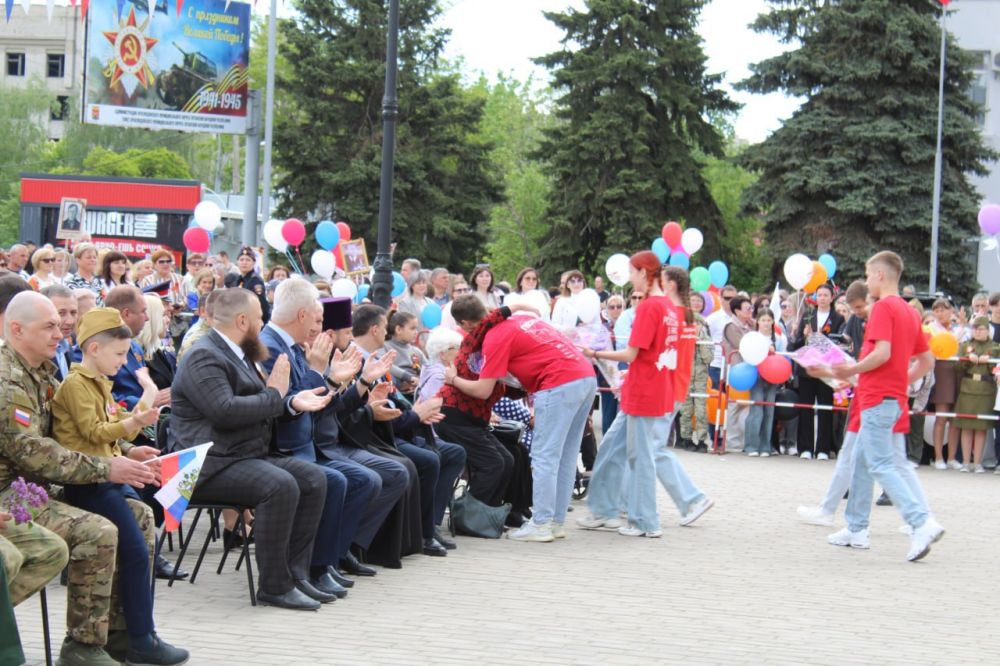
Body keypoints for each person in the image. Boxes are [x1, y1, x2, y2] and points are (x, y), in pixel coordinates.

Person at [0, 291, 170, 665]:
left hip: (37, 487)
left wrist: (124, 453)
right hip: (10, 495)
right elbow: (32, 452)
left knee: (138, 516)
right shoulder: (7, 380)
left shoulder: (40, 373)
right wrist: (107, 468)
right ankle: (82, 645)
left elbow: (66, 435)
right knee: (99, 530)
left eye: (61, 323)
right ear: (16, 329)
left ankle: (125, 636)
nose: (60, 332)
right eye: (49, 325)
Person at [170, 287, 334, 609]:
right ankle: (274, 586)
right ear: (243, 320)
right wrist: (275, 395)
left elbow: (262, 404)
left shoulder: (238, 352)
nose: (263, 323)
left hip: (239, 455)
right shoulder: (204, 354)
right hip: (204, 465)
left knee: (313, 478)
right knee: (279, 485)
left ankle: (296, 575)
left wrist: (290, 403)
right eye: (260, 318)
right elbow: (225, 410)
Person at [51, 308, 189, 665]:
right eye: (119, 354)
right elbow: (94, 434)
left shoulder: (97, 383)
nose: (124, 361)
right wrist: (134, 423)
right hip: (90, 483)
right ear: (93, 348)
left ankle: (139, 634)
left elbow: (106, 431)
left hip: (106, 477)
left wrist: (130, 445)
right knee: (136, 552)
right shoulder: (76, 385)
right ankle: (140, 639)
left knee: (141, 547)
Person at [814, 251, 944, 561]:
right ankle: (856, 527)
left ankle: (920, 522)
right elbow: (927, 360)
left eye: (869, 274)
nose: (867, 279)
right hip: (891, 398)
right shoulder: (911, 313)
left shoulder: (884, 307)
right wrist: (901, 381)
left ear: (881, 276)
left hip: (877, 399)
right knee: (866, 459)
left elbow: (882, 353)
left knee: (880, 464)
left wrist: (850, 371)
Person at [261, 280, 387, 598]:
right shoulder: (273, 346)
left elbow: (315, 402)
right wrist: (323, 373)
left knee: (362, 479)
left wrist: (340, 381)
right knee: (339, 480)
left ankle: (324, 562)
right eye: (317, 320)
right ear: (302, 315)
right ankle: (311, 568)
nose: (322, 329)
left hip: (308, 441)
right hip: (286, 444)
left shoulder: (288, 344)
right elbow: (291, 401)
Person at [444, 293, 596, 542]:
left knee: (545, 455)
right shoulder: (519, 320)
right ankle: (556, 522)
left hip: (557, 382)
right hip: (585, 375)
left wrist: (453, 379)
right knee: (567, 455)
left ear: (466, 324)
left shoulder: (493, 337)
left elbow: (482, 390)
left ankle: (541, 524)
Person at [578, 260, 713, 537]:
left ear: (643, 273)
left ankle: (644, 520)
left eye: (631, 272)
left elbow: (631, 354)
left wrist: (595, 354)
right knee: (620, 450)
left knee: (641, 456)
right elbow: (658, 353)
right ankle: (609, 511)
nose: (629, 278)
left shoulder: (653, 307)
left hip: (645, 392)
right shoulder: (670, 309)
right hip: (650, 387)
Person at [351, 306, 465, 556]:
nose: (386, 331)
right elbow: (371, 408)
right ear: (374, 329)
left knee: (451, 453)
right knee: (427, 460)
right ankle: (419, 533)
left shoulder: (374, 356)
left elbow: (392, 399)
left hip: (393, 426)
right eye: (384, 327)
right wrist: (417, 414)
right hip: (377, 434)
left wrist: (417, 413)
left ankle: (429, 525)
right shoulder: (357, 359)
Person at [434, 299, 516, 508]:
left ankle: (488, 511)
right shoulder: (473, 340)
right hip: (454, 416)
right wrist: (514, 308)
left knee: (506, 460)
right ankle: (470, 514)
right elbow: (488, 322)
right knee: (494, 464)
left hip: (472, 418)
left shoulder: (487, 337)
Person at [788, 283, 844, 460]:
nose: (822, 298)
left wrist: (819, 338)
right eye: (819, 295)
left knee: (825, 408)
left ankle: (823, 449)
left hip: (827, 369)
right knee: (806, 407)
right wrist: (804, 335)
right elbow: (796, 343)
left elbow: (839, 343)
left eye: (826, 295)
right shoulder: (808, 315)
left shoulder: (837, 319)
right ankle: (805, 447)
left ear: (831, 297)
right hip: (808, 368)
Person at [953, 317, 998, 473]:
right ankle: (966, 462)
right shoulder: (966, 345)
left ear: (987, 330)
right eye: (975, 328)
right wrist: (967, 359)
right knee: (966, 426)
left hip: (986, 389)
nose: (978, 332)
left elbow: (997, 368)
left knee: (981, 428)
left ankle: (977, 462)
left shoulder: (995, 347)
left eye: (981, 329)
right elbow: (957, 367)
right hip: (968, 388)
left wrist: (990, 360)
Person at [927, 298, 968, 470]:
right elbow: (948, 342)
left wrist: (964, 326)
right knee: (941, 417)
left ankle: (951, 457)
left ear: (951, 311)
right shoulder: (932, 328)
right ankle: (938, 457)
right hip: (942, 371)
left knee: (955, 418)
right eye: (936, 310)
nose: (939, 313)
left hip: (958, 371)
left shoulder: (961, 329)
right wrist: (962, 327)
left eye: (943, 309)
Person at [744, 308, 786, 456]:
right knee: (757, 411)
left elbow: (783, 357)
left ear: (773, 322)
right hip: (756, 376)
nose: (766, 323)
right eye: (763, 320)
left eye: (769, 320)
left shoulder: (779, 339)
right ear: (758, 322)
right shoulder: (753, 337)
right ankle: (751, 446)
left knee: (769, 411)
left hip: (773, 377)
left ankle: (765, 446)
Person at [678, 292, 713, 452]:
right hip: (684, 370)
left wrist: (700, 337)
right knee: (685, 407)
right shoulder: (680, 322)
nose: (696, 303)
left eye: (699, 301)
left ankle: (701, 440)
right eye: (693, 300)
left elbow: (708, 356)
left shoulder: (705, 325)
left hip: (699, 372)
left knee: (700, 407)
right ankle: (685, 438)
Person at [721, 295, 754, 452]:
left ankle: (743, 441)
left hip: (750, 372)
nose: (750, 311)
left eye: (751, 308)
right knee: (733, 406)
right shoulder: (730, 327)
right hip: (735, 371)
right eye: (747, 309)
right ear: (737, 311)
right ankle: (731, 441)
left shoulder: (751, 326)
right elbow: (743, 345)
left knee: (747, 407)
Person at [383, 311, 426, 397]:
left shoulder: (416, 351)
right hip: (396, 395)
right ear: (398, 329)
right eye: (412, 328)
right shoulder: (384, 346)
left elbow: (428, 369)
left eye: (416, 328)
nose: (416, 332)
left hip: (417, 393)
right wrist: (409, 377)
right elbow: (385, 365)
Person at [41, 284, 79, 381]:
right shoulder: (36, 353)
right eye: (61, 313)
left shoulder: (67, 344)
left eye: (73, 313)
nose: (70, 321)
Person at [224, 246, 270, 323]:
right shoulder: (239, 280)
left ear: (254, 262)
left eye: (248, 260)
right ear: (237, 262)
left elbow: (261, 306)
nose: (244, 262)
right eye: (241, 260)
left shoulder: (256, 281)